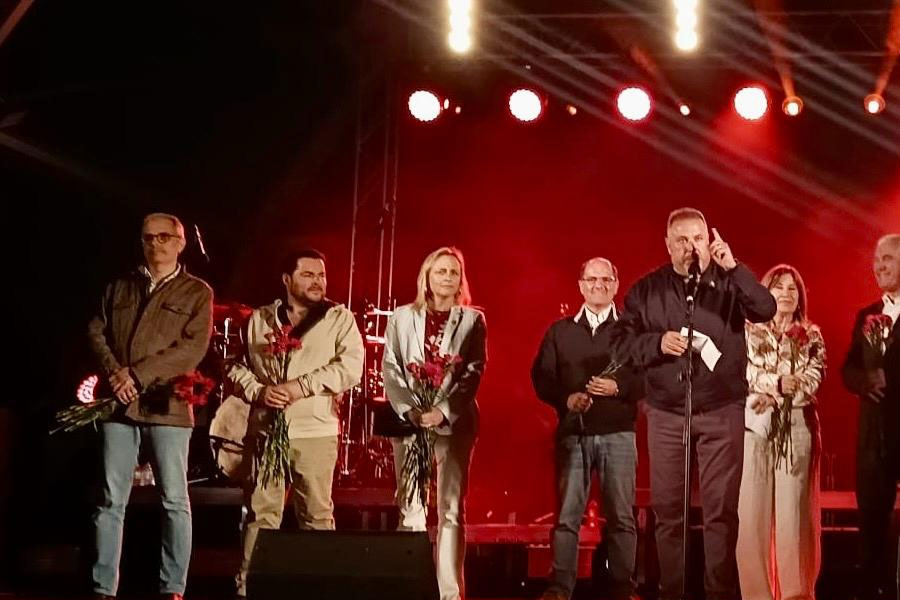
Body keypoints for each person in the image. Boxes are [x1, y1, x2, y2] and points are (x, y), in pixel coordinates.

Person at [609, 207, 776, 600]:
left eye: (698, 238)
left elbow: (765, 309)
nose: (691, 247)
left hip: (722, 410)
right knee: (669, 512)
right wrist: (656, 343)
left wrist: (733, 267)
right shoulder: (647, 289)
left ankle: (720, 593)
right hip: (668, 413)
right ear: (668, 245)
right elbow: (619, 343)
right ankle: (673, 592)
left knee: (721, 513)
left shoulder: (729, 281)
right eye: (682, 240)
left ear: (709, 242)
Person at [87, 213, 213, 600]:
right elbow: (96, 330)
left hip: (167, 405)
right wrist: (115, 374)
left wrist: (137, 376)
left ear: (180, 242)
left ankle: (172, 587)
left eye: (163, 237)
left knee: (174, 499)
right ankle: (103, 588)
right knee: (111, 500)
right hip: (119, 406)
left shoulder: (197, 292)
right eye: (148, 238)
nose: (155, 243)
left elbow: (191, 348)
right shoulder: (120, 286)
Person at [228, 248, 363, 599]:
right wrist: (259, 391)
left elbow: (350, 367)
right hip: (266, 430)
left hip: (315, 432)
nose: (317, 281)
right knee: (260, 514)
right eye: (308, 274)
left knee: (317, 515)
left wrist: (300, 387)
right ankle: (248, 587)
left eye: (321, 275)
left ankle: (321, 588)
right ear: (287, 280)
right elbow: (235, 367)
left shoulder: (339, 318)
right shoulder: (260, 319)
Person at [531, 257, 643, 600]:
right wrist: (566, 399)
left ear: (616, 284)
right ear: (580, 285)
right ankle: (560, 588)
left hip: (619, 433)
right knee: (568, 516)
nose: (599, 285)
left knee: (621, 517)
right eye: (592, 279)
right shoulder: (559, 331)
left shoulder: (633, 331)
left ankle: (622, 589)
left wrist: (618, 387)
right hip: (573, 435)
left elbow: (650, 376)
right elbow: (542, 377)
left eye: (606, 279)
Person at [382, 246, 487, 600]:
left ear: (461, 280)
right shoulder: (401, 317)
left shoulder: (472, 320)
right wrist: (411, 410)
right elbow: (391, 369)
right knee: (410, 508)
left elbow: (473, 373)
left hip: (454, 424)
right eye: (440, 271)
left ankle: (449, 593)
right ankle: (410, 588)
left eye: (454, 272)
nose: (447, 277)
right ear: (426, 277)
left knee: (451, 510)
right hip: (411, 422)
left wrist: (442, 411)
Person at [737, 264, 826, 600]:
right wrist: (776, 385)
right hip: (755, 426)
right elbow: (744, 373)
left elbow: (813, 379)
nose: (786, 294)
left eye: (792, 288)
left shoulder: (811, 335)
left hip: (797, 425)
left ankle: (796, 594)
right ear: (765, 292)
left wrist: (776, 393)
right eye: (779, 287)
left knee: (793, 518)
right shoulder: (748, 332)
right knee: (751, 517)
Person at [842, 233, 900, 600]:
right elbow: (848, 369)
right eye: (877, 261)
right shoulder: (867, 314)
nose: (879, 267)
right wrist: (865, 381)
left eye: (887, 259)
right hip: (872, 440)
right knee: (872, 524)